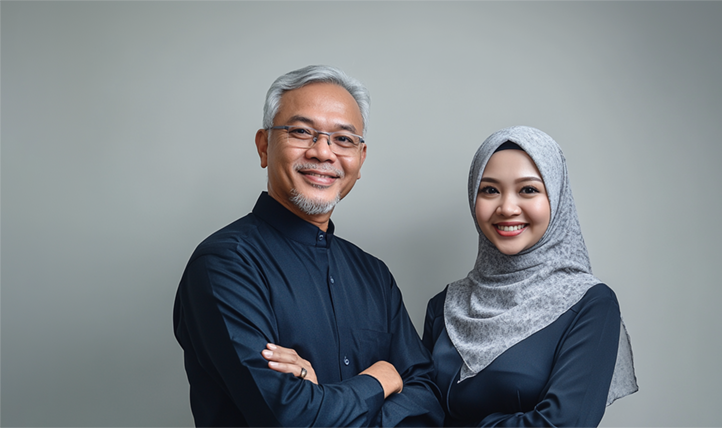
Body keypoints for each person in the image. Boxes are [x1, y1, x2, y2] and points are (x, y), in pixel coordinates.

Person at [173, 65, 443, 428]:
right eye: (301, 132)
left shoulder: (374, 275)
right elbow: (289, 417)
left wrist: (323, 401)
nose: (323, 152)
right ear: (264, 146)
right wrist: (381, 379)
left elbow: (427, 400)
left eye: (343, 139)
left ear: (360, 159)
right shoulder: (224, 265)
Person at [422, 126, 638, 427]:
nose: (507, 208)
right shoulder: (446, 305)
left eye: (528, 190)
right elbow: (420, 408)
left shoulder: (589, 304)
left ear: (556, 198)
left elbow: (564, 422)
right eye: (490, 190)